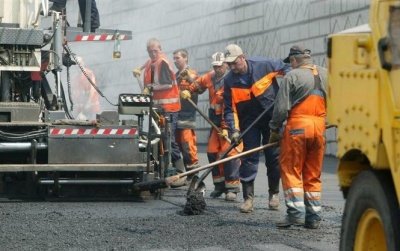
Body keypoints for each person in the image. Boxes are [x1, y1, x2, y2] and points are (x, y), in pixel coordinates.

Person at [223, 44, 291, 213]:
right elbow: (229, 109)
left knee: (273, 158)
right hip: (248, 121)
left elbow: (287, 68)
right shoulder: (229, 80)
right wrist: (234, 131)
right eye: (229, 64)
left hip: (271, 119)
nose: (232, 67)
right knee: (248, 157)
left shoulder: (264, 65)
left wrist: (287, 86)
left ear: (243, 57)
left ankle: (273, 195)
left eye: (234, 63)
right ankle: (248, 199)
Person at [268, 45, 327, 229]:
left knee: (291, 169)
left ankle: (295, 214)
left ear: (294, 60)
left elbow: (280, 108)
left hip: (297, 128)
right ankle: (313, 217)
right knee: (312, 173)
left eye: (290, 62)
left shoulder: (291, 76)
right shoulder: (326, 73)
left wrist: (274, 130)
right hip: (319, 127)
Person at [181, 52, 243, 201]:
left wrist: (226, 128)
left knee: (229, 154)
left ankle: (232, 188)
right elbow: (197, 85)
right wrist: (188, 91)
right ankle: (219, 186)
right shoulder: (210, 77)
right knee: (212, 152)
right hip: (214, 122)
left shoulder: (231, 81)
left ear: (226, 65)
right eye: (215, 67)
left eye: (219, 66)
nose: (217, 70)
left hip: (229, 122)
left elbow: (230, 107)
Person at [132, 38, 185, 188]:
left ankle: (181, 173)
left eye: (155, 51)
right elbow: (147, 64)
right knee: (158, 139)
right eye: (150, 51)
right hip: (158, 109)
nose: (153, 54)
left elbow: (167, 84)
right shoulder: (151, 61)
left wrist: (150, 88)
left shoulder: (163, 63)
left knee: (169, 140)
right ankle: (163, 171)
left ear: (160, 50)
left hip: (169, 108)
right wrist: (139, 68)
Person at [172, 49, 200, 185]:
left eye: (177, 58)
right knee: (177, 145)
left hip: (187, 117)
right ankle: (182, 174)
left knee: (188, 146)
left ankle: (193, 176)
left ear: (186, 58)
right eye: (174, 58)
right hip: (176, 116)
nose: (175, 60)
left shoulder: (192, 73)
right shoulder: (175, 76)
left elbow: (198, 85)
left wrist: (188, 76)